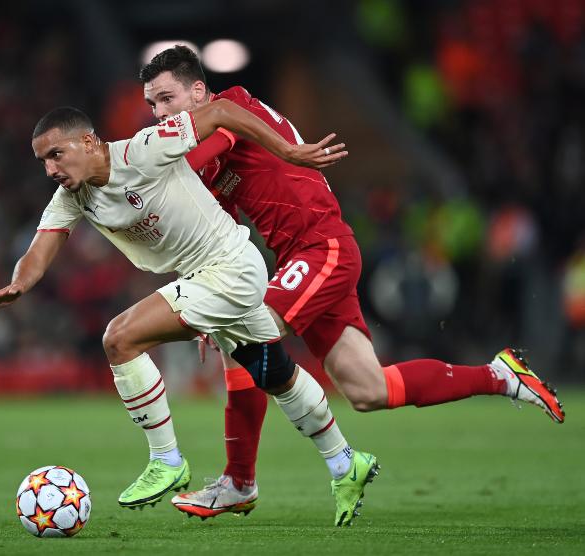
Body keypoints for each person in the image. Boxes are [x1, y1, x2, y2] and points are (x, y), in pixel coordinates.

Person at [138, 45, 565, 524]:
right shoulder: (209, 156)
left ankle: (239, 481)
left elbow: (188, 164)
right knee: (368, 389)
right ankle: (502, 376)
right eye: (152, 105)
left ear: (199, 91)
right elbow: (217, 232)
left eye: (167, 99)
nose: (159, 114)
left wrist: (137, 173)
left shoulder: (230, 108)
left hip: (322, 247)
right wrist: (199, 294)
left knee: (248, 332)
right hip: (302, 256)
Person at [0, 98, 375, 525]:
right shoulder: (72, 199)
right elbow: (39, 250)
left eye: (56, 155)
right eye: (43, 161)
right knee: (272, 371)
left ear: (89, 141)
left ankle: (166, 459)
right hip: (207, 276)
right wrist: (19, 283)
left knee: (119, 338)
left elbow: (222, 110)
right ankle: (345, 462)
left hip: (230, 268)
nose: (51, 170)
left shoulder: (144, 149)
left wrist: (288, 151)